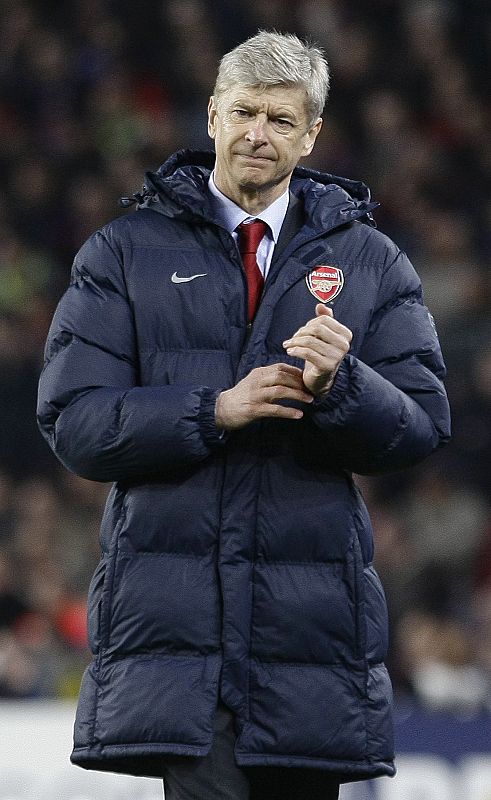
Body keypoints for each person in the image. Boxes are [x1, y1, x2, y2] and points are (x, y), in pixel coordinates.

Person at [37, 30, 451, 800]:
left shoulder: (369, 261)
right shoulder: (122, 254)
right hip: (179, 638)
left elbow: (422, 424)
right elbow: (74, 421)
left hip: (308, 640)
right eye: (244, 112)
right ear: (211, 116)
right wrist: (212, 409)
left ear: (312, 134)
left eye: (281, 120)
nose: (258, 134)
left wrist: (341, 386)